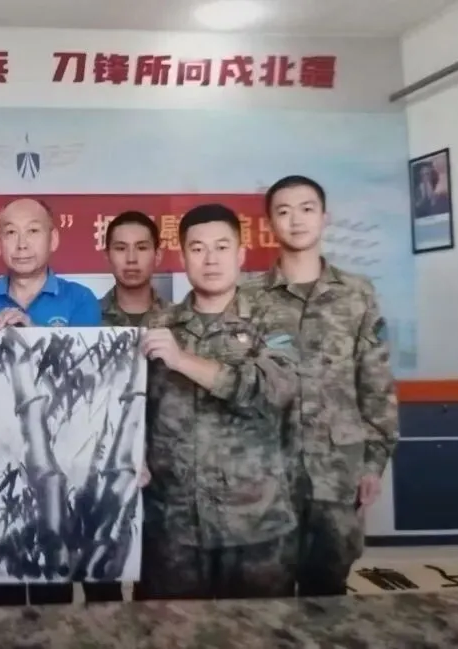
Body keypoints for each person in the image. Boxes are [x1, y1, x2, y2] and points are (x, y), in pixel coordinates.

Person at [139, 203, 300, 600]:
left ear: (241, 254)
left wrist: (183, 360)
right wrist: (132, 453)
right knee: (171, 629)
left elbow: (275, 389)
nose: (210, 259)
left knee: (259, 629)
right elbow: (133, 408)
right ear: (182, 257)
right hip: (173, 525)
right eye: (197, 248)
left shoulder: (274, 318)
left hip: (254, 524)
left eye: (222, 247)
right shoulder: (158, 326)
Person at [249, 175, 399, 597]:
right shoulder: (248, 297)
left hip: (337, 475)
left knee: (329, 597)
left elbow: (376, 383)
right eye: (283, 211)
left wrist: (373, 463)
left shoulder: (356, 295)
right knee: (264, 599)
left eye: (306, 209)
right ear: (270, 224)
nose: (296, 220)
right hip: (266, 476)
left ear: (324, 217)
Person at [0, 198, 101, 330]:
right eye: (11, 232)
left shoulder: (80, 300)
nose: (22, 245)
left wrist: (32, 333)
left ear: (53, 239)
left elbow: (85, 350)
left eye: (33, 231)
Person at [99, 211, 170, 327]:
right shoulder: (87, 317)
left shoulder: (179, 319)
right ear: (107, 256)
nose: (131, 259)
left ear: (157, 256)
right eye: (121, 248)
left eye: (141, 248)